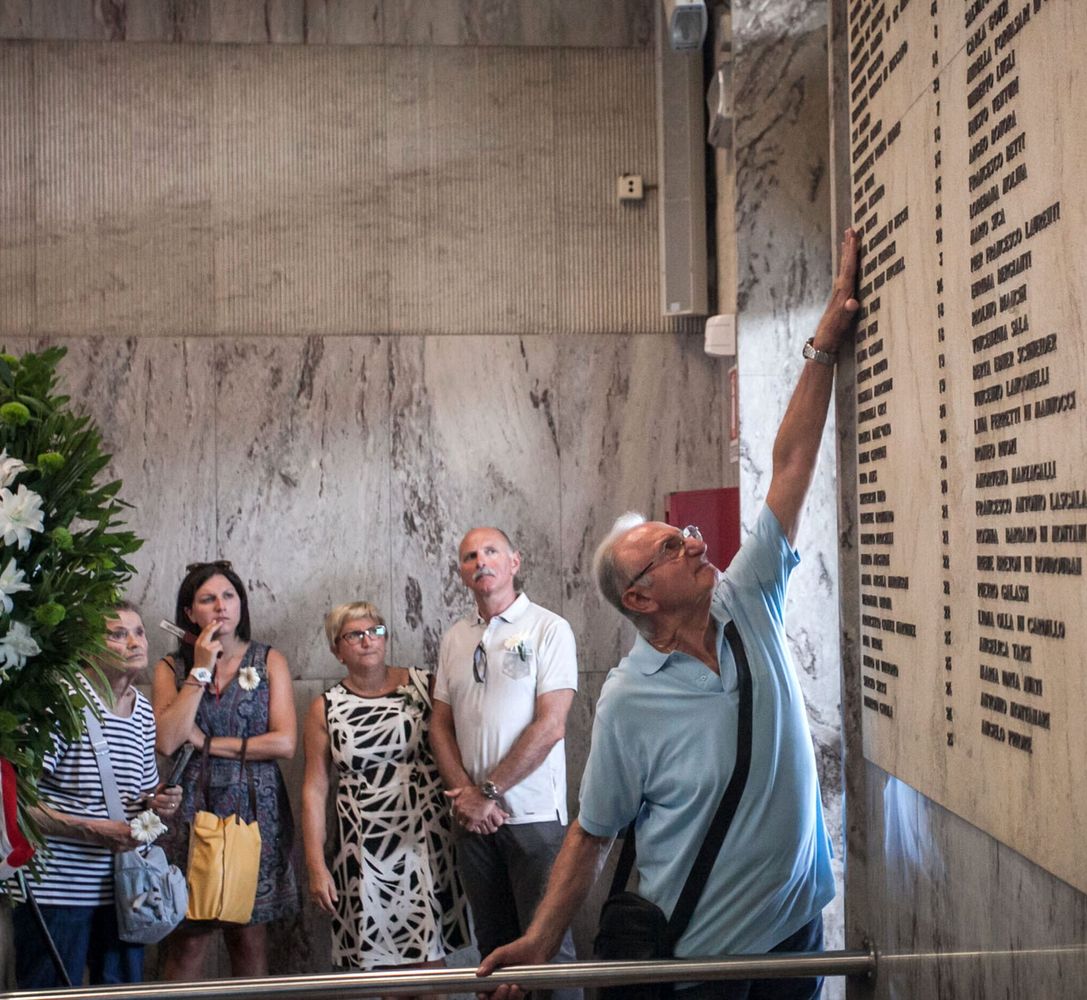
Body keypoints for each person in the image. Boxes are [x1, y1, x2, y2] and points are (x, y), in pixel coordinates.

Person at [478, 228, 860, 1000]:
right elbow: (594, 829)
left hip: (796, 938)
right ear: (641, 598)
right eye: (670, 547)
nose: (693, 542)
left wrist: (822, 343)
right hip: (701, 962)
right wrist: (542, 939)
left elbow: (789, 465)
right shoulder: (629, 698)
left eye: (684, 534)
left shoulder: (749, 598)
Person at [428, 526, 581, 1000]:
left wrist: (487, 792)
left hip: (533, 818)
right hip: (474, 824)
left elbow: (551, 725)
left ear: (514, 562)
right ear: (462, 572)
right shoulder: (455, 637)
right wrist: (468, 798)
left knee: (548, 956)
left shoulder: (548, 628)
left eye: (491, 551)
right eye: (470, 556)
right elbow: (439, 725)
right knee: (492, 956)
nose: (481, 562)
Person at [8, 601, 184, 988]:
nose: (134, 642)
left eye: (138, 632)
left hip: (126, 892)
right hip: (57, 889)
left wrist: (159, 802)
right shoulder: (62, 704)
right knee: (50, 994)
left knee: (122, 993)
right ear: (87, 646)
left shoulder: (141, 712)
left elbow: (141, 794)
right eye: (117, 634)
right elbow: (16, 804)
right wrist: (91, 830)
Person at [301, 601, 468, 992]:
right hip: (362, 849)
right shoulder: (325, 707)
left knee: (429, 963)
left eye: (375, 631)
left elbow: (459, 746)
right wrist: (315, 865)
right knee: (379, 969)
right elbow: (314, 788)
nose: (367, 641)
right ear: (336, 649)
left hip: (423, 841)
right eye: (354, 635)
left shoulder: (423, 684)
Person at [151, 560, 298, 979]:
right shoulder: (170, 668)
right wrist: (200, 667)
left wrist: (209, 743)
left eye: (229, 596)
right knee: (187, 942)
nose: (220, 607)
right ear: (189, 613)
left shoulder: (269, 660)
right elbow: (167, 739)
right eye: (207, 599)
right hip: (189, 812)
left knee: (249, 940)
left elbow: (284, 742)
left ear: (241, 604)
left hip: (256, 810)